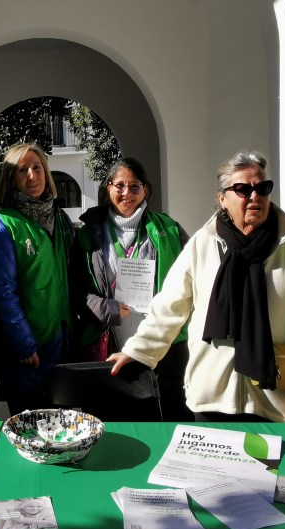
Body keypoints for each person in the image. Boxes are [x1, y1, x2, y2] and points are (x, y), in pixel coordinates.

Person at [108, 151, 285, 423]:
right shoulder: (204, 242)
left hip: (274, 398)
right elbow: (170, 305)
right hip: (212, 394)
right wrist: (138, 350)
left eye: (262, 188)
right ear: (222, 198)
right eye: (242, 189)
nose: (254, 196)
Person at [73, 157, 192, 421]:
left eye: (135, 186)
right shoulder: (88, 234)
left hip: (163, 344)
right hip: (110, 342)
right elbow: (77, 290)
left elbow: (191, 277)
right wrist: (107, 308)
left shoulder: (169, 229)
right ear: (108, 188)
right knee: (117, 421)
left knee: (168, 419)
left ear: (145, 190)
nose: (127, 193)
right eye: (120, 186)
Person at [0, 143, 74, 415]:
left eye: (37, 168)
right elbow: (3, 291)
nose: (32, 176)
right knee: (30, 434)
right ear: (10, 178)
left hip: (61, 343)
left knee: (63, 432)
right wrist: (24, 344)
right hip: (28, 351)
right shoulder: (3, 223)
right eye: (22, 170)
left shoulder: (60, 219)